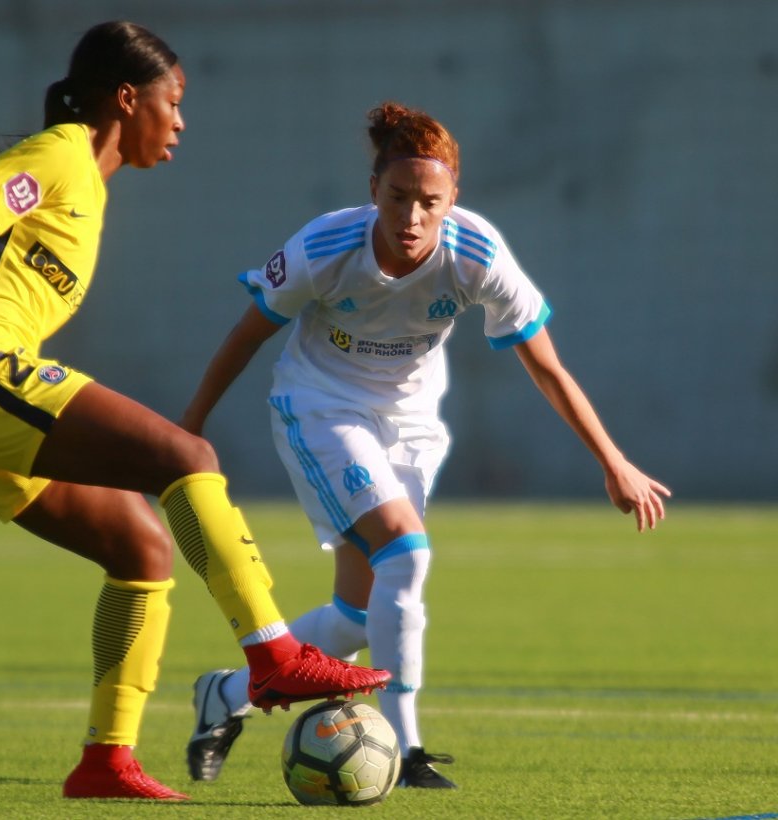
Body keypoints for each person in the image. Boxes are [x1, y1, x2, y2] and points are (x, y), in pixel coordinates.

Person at [0, 21, 390, 803]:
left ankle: (106, 761)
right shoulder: (61, 154)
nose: (181, 121)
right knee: (188, 458)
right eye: (173, 101)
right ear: (128, 98)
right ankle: (273, 654)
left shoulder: (86, 184)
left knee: (141, 549)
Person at [182, 101, 672, 789]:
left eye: (428, 202)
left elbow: (547, 367)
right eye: (398, 197)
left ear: (453, 201)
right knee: (406, 552)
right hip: (321, 408)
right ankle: (407, 749)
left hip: (410, 423)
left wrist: (613, 462)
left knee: (357, 615)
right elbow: (246, 336)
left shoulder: (477, 255)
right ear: (374, 191)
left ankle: (225, 696)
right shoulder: (325, 249)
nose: (411, 217)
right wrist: (190, 427)